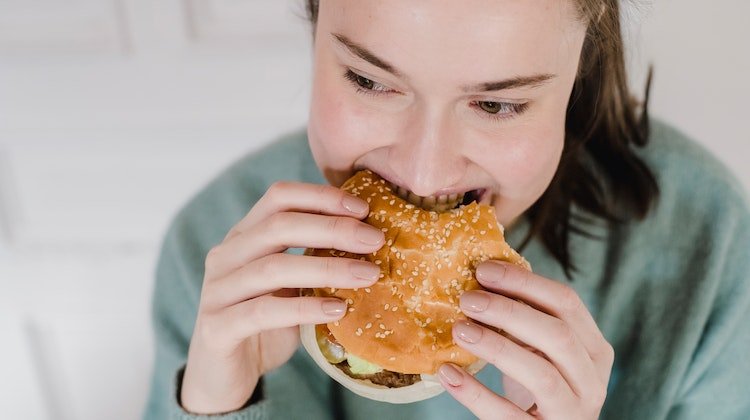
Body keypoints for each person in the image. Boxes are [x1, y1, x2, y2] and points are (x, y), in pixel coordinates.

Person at [143, 1, 750, 419]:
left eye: (497, 105)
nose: (426, 174)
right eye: (368, 80)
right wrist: (219, 407)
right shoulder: (215, 248)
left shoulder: (711, 243)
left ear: (580, 73)